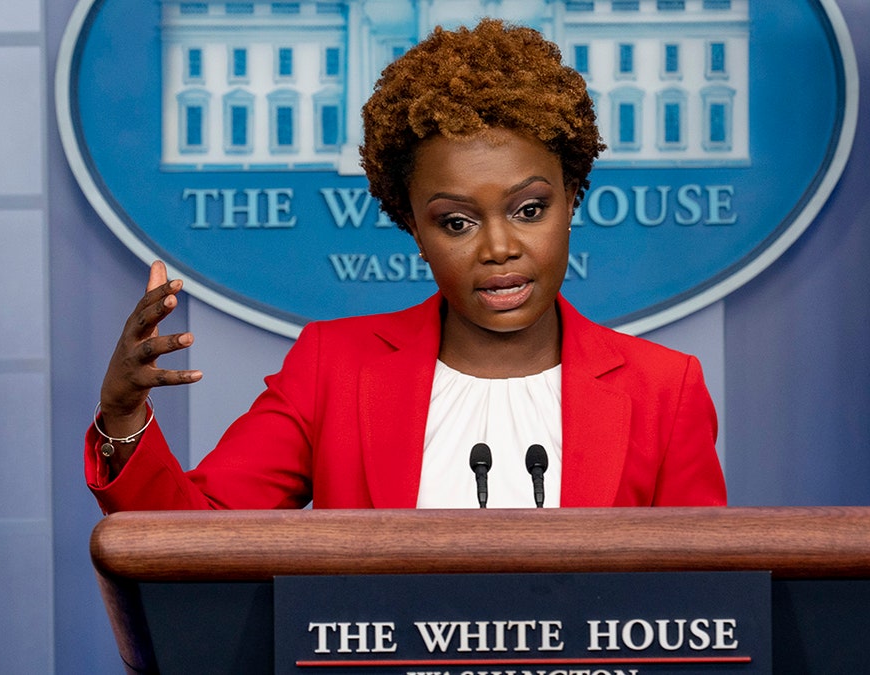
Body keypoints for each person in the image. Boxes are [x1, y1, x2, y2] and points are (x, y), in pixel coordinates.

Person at [86, 19, 726, 512]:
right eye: (457, 222)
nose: (499, 247)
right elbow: (195, 541)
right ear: (413, 228)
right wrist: (123, 418)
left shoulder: (664, 391)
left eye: (529, 209)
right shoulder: (330, 368)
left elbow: (706, 609)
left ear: (571, 201)